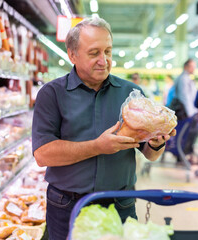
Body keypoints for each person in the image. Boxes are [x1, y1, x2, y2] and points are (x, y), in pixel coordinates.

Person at [32, 17, 176, 240]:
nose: (104, 60)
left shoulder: (131, 93)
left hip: (120, 204)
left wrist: (157, 142)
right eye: (94, 53)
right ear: (72, 55)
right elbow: (43, 154)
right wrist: (97, 147)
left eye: (108, 51)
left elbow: (150, 153)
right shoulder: (52, 94)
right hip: (67, 204)